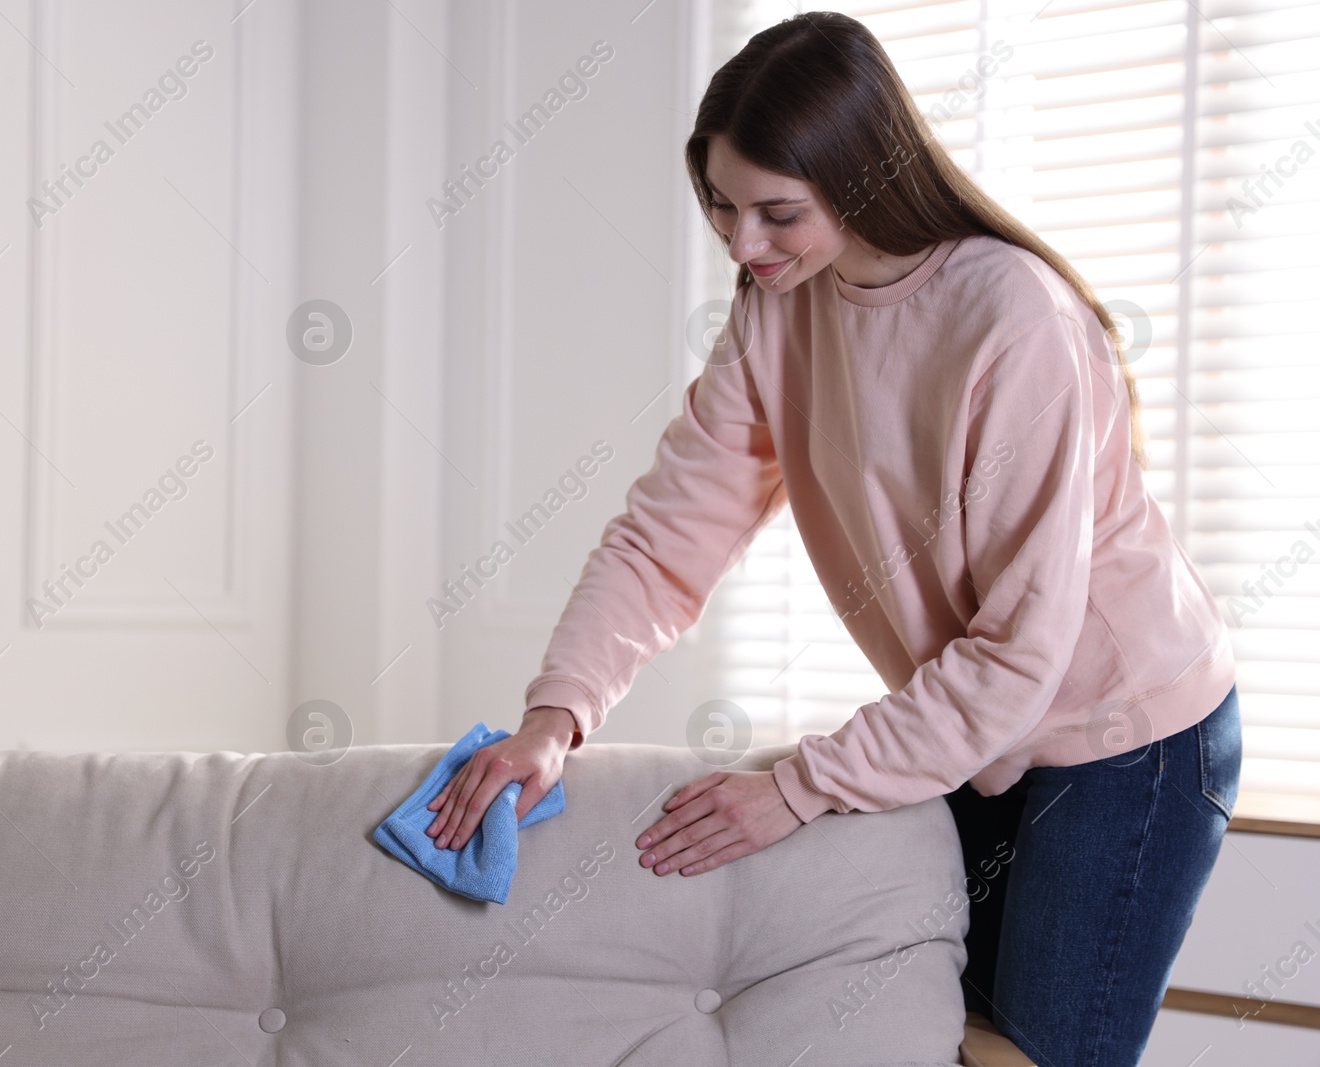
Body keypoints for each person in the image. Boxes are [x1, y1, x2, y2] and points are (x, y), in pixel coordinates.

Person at [424, 12, 1241, 1065]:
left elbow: (1020, 650)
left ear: (860, 175)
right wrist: (554, 716)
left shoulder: (1014, 321)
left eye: (775, 212)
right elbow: (668, 534)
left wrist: (800, 786)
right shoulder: (781, 303)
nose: (742, 245)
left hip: (1129, 734)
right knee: (947, 1034)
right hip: (979, 721)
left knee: (1033, 1053)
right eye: (721, 207)